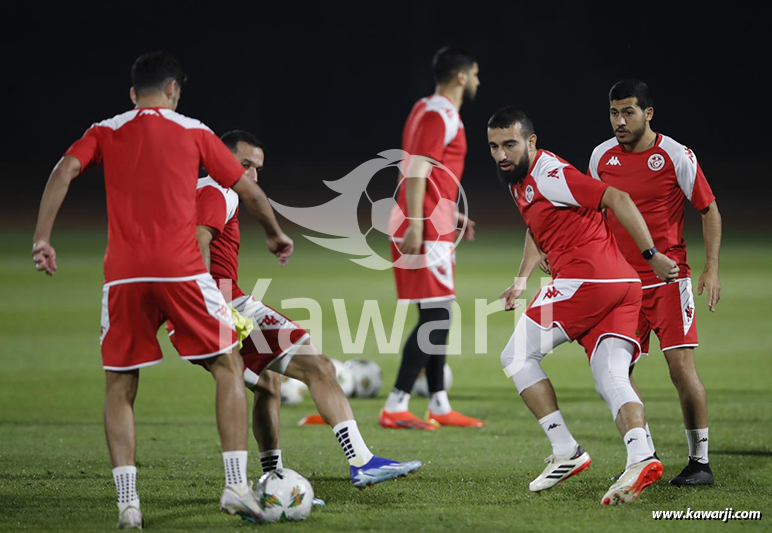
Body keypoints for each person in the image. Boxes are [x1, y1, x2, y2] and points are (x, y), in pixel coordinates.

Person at [31, 52, 291, 528]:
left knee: (121, 383)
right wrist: (274, 232)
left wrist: (42, 238)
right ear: (174, 90)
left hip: (123, 274)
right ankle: (235, 485)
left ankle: (128, 504)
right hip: (181, 270)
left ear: (133, 93)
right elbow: (248, 191)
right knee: (229, 364)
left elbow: (64, 170)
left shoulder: (105, 130)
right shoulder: (193, 130)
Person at [168, 129, 422, 489]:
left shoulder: (196, 189)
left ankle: (273, 479)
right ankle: (362, 461)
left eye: (257, 168)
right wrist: (212, 306)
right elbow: (198, 244)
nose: (252, 176)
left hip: (194, 308)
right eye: (244, 165)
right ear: (218, 160)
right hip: (220, 303)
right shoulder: (218, 191)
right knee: (317, 366)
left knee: (268, 383)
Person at [488, 106, 680, 505]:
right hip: (620, 286)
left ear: (531, 142)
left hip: (588, 281)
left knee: (517, 355)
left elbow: (617, 197)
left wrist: (652, 255)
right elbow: (536, 226)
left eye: (509, 144)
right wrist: (522, 279)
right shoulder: (519, 180)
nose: (502, 154)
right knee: (609, 375)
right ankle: (641, 455)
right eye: (494, 146)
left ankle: (566, 450)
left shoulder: (548, 173)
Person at [587, 79, 721, 486]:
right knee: (616, 371)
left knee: (680, 369)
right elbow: (587, 207)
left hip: (667, 281)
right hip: (620, 284)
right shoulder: (601, 156)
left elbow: (709, 210)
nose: (620, 121)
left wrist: (710, 268)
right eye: (614, 112)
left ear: (648, 114)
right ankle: (644, 453)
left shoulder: (675, 155)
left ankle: (700, 463)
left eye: (628, 112)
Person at [380, 46, 483, 431]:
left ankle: (438, 403)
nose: (476, 81)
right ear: (460, 76)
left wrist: (448, 212)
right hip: (423, 225)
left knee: (435, 314)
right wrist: (419, 222)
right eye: (474, 74)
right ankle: (396, 405)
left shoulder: (426, 107)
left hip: (432, 220)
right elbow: (415, 168)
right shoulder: (441, 112)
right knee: (437, 315)